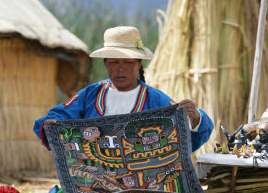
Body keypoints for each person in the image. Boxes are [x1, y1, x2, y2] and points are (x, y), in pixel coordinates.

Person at [33, 26, 213, 152]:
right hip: (92, 181)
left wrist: (195, 118)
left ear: (138, 64)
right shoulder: (90, 95)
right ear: (105, 64)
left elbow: (183, 136)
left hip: (140, 184)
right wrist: (52, 125)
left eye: (128, 62)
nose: (120, 69)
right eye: (113, 62)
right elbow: (58, 116)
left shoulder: (155, 99)